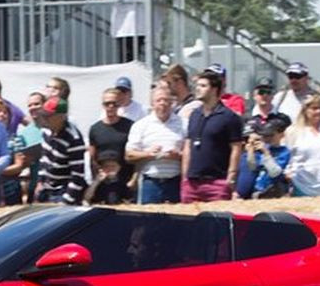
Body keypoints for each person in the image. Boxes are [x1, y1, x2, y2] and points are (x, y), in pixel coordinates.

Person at [181, 69, 243, 203]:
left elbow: (236, 148)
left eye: (203, 86)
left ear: (214, 89)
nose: (198, 89)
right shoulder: (194, 115)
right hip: (192, 184)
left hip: (217, 183)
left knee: (217, 223)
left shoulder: (229, 117)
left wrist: (231, 177)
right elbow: (188, 146)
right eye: (197, 85)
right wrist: (185, 177)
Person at [125, 86, 184, 204]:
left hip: (175, 182)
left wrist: (178, 155)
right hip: (150, 183)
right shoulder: (141, 125)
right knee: (148, 221)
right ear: (152, 103)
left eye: (166, 100)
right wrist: (148, 154)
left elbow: (192, 154)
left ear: (172, 102)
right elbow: (129, 156)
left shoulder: (184, 123)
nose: (163, 103)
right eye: (159, 100)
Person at [89, 87, 135, 200]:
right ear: (103, 105)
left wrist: (134, 180)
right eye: (107, 103)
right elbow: (92, 157)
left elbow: (134, 155)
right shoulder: (95, 129)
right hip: (103, 182)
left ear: (120, 104)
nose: (111, 107)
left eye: (114, 103)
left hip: (124, 182)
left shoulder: (130, 126)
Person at [235, 114, 292, 200]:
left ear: (281, 134)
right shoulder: (262, 150)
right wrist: (251, 152)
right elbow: (252, 167)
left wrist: (266, 153)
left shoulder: (284, 152)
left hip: (274, 191)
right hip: (258, 191)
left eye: (271, 135)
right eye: (265, 136)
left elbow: (275, 173)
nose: (267, 139)